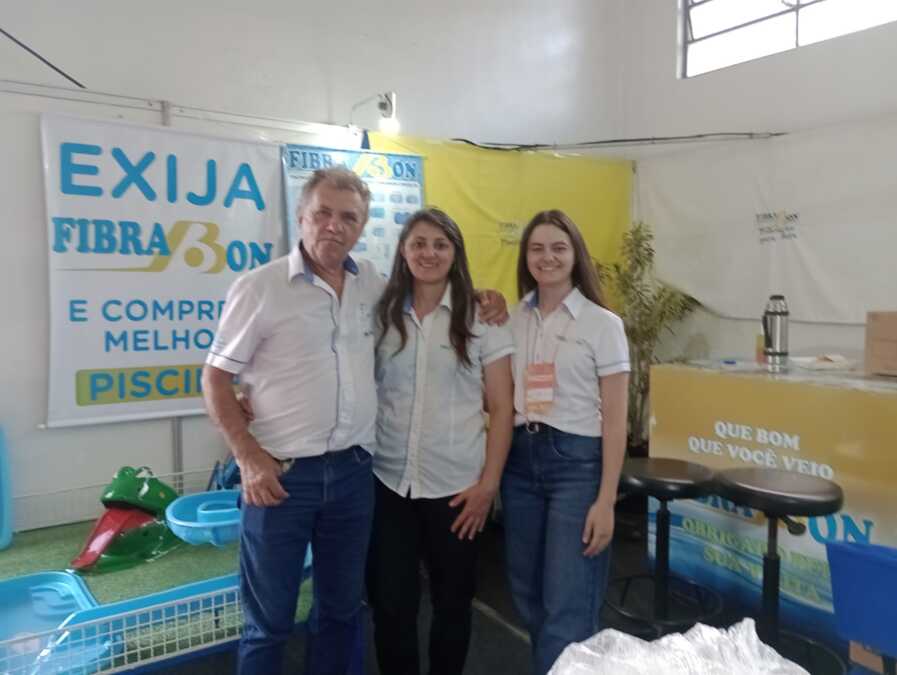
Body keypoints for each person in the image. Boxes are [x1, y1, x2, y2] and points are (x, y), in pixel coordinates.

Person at [203, 167, 507, 675]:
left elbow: (436, 294)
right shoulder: (261, 287)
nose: (334, 225)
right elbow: (215, 377)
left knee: (342, 613)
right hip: (282, 478)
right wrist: (248, 457)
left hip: (353, 477)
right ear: (302, 216)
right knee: (269, 622)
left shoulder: (373, 288)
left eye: (348, 217)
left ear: (362, 227)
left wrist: (485, 296)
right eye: (323, 213)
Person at [365, 208, 514, 675]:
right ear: (403, 251)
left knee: (453, 603)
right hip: (388, 483)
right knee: (391, 604)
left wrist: (489, 485)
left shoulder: (482, 317)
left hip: (457, 490)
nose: (428, 253)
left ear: (455, 253)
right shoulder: (382, 313)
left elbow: (503, 407)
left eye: (440, 244)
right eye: (418, 243)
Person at [501, 209, 630, 675]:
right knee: (526, 593)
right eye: (537, 248)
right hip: (520, 462)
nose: (547, 257)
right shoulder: (512, 319)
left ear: (576, 255)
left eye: (558, 247)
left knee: (568, 603)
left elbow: (616, 419)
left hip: (577, 465)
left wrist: (607, 500)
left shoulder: (602, 323)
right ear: (525, 256)